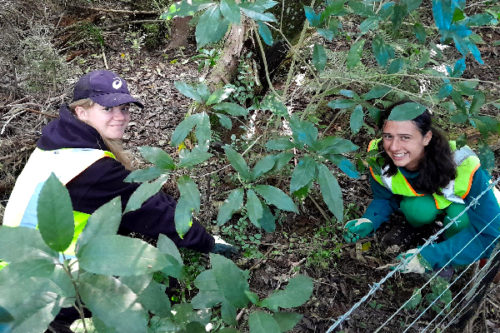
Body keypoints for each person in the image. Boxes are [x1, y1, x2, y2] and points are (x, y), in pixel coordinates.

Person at [343, 102, 500, 274]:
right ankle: (417, 228)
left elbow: (489, 233)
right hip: (427, 204)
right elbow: (383, 197)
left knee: (459, 220)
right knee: (417, 209)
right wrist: (370, 219)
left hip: (464, 208)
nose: (394, 147)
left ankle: (445, 255)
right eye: (388, 136)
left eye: (405, 137)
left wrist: (431, 257)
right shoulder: (379, 155)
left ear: (426, 137)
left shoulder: (464, 164)